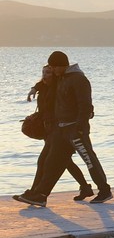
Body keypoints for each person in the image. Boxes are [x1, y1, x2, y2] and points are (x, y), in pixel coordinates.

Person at [13, 51, 112, 207]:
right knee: (51, 163)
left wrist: (80, 127)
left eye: (54, 67)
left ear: (61, 65)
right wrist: (34, 87)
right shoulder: (62, 77)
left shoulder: (78, 79)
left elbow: (85, 105)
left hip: (75, 130)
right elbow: (45, 82)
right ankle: (41, 195)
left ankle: (105, 190)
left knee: (89, 159)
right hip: (61, 131)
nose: (52, 70)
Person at [24, 66, 93, 201]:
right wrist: (35, 88)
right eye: (43, 72)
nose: (45, 75)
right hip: (48, 130)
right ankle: (85, 187)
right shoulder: (43, 87)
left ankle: (35, 192)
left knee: (45, 161)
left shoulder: (58, 88)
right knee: (65, 162)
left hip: (59, 130)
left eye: (48, 72)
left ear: (54, 75)